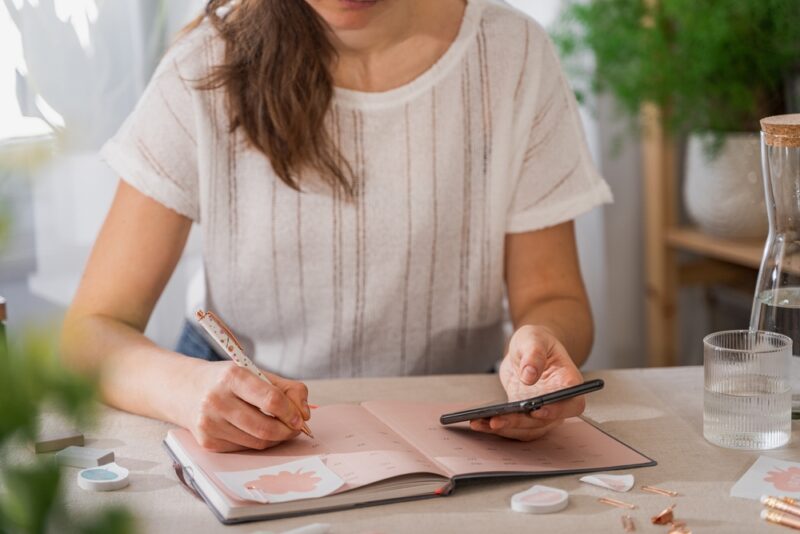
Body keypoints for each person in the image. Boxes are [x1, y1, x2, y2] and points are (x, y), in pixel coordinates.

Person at [61, 0, 612, 452]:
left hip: (459, 419)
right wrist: (184, 389)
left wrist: (541, 353)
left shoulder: (513, 55)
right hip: (247, 412)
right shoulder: (204, 67)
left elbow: (554, 297)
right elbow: (90, 333)